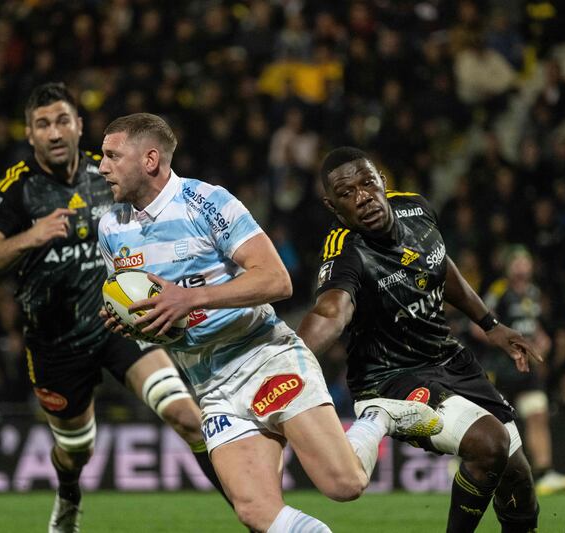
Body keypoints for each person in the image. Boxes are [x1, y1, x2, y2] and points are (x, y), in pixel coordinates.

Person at [97, 113, 442, 532]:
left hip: (263, 356)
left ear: (150, 159)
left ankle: (378, 417)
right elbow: (143, 301)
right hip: (208, 382)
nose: (102, 166)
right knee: (256, 513)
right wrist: (128, 320)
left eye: (112, 155)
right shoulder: (111, 228)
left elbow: (277, 280)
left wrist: (189, 298)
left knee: (345, 484)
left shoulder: (206, 202)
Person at [0, 83, 230, 533]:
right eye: (43, 124)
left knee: (189, 419)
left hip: (120, 326)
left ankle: (254, 514)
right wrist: (31, 236)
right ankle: (69, 493)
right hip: (56, 344)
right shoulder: (17, 189)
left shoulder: (105, 171)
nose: (54, 132)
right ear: (30, 134)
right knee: (76, 451)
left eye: (63, 120)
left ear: (79, 126)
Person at [296, 146, 541, 533]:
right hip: (390, 378)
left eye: (367, 183)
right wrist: (285, 362)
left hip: (447, 360)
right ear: (332, 206)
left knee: (518, 479)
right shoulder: (345, 251)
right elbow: (331, 311)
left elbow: (440, 264)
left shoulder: (416, 208)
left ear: (381, 180)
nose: (362, 198)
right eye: (347, 194)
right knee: (489, 443)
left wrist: (490, 324)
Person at [481, 247, 565, 495]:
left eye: (526, 262)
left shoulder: (534, 293)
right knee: (494, 423)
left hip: (526, 370)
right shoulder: (498, 291)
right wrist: (508, 343)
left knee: (538, 414)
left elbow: (533, 327)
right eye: (518, 262)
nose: (523, 267)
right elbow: (478, 327)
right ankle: (469, 466)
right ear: (509, 267)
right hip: (502, 368)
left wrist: (542, 339)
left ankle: (544, 473)